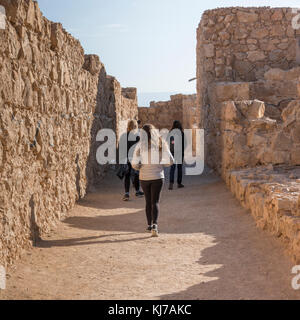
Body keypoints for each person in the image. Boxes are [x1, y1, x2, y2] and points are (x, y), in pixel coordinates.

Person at [132, 124, 174, 237]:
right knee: (155, 202)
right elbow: (170, 160)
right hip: (158, 177)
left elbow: (134, 164)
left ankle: (148, 225)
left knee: (148, 202)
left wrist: (139, 166)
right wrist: (161, 164)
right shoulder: (161, 144)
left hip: (144, 177)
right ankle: (155, 225)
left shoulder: (140, 146)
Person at [119, 120, 144, 201]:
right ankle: (137, 191)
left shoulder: (123, 136)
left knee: (127, 175)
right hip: (134, 158)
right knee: (136, 175)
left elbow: (121, 149)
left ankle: (126, 193)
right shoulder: (137, 137)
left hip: (126, 158)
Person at [169, 120, 185, 190]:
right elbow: (185, 143)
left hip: (172, 152)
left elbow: (168, 142)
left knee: (172, 168)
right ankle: (179, 183)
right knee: (179, 168)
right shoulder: (181, 133)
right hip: (179, 152)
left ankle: (171, 183)